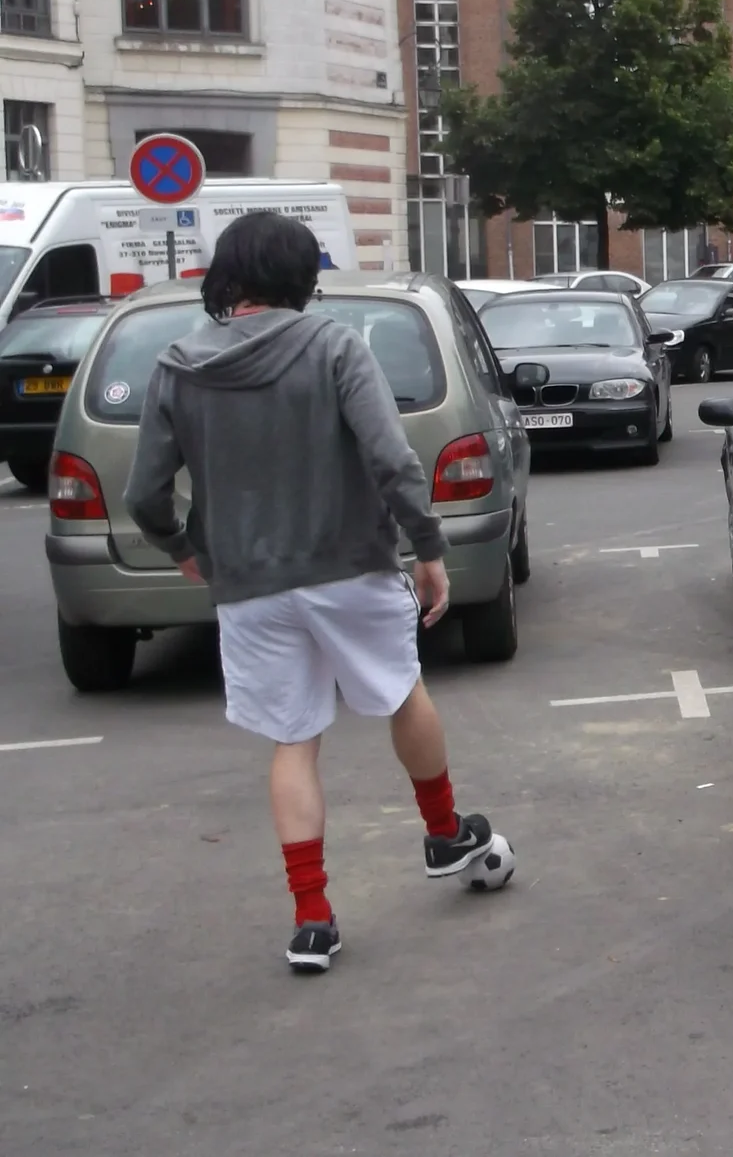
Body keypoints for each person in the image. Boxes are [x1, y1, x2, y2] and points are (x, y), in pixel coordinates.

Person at [126, 212, 505, 975]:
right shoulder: (334, 345)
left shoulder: (177, 365)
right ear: (304, 279)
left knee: (293, 738)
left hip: (249, 586)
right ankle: (442, 833)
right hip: (350, 565)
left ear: (228, 277)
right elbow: (392, 460)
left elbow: (144, 493)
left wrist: (184, 549)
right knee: (402, 693)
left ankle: (311, 918)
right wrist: (427, 548)